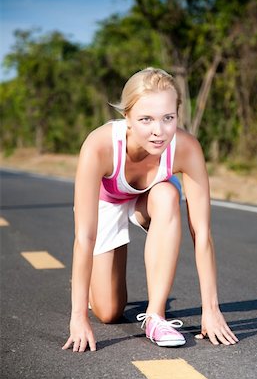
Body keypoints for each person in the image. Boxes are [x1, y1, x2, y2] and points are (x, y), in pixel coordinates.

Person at [62, 67, 238, 352]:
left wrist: (211, 309)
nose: (159, 131)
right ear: (127, 117)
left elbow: (202, 233)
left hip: (148, 199)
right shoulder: (99, 146)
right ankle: (94, 284)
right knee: (109, 312)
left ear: (177, 114)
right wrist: (78, 316)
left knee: (169, 194)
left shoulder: (186, 148)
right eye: (146, 119)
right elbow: (84, 237)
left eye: (168, 118)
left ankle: (156, 316)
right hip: (106, 202)